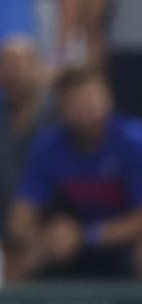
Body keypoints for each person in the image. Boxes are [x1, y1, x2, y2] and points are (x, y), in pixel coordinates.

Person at [3, 65, 142, 281]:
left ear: (108, 99)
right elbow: (21, 216)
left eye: (93, 100)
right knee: (18, 258)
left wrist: (86, 236)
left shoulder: (135, 141)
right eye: (78, 104)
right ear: (62, 109)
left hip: (119, 242)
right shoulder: (48, 146)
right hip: (63, 244)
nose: (88, 112)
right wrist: (43, 240)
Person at [0, 36, 54, 237]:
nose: (10, 73)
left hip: (49, 215)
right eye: (4, 66)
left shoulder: (58, 115)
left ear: (38, 68)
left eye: (17, 65)